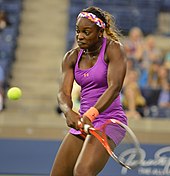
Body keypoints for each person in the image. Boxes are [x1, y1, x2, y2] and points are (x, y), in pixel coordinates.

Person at [50, 6, 127, 176]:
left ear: (100, 32)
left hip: (109, 121)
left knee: (82, 172)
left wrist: (90, 115)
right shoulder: (71, 57)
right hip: (84, 123)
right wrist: (68, 112)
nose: (80, 36)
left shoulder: (114, 49)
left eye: (86, 31)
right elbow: (63, 93)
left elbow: (115, 87)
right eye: (78, 31)